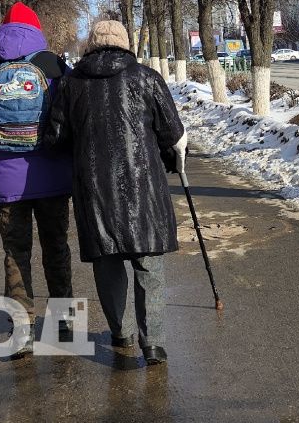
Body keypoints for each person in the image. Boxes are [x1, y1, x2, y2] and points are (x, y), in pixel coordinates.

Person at [44, 19, 185, 366]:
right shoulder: (147, 77)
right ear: (125, 44)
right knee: (148, 265)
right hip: (144, 191)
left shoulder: (71, 84)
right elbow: (172, 133)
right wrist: (169, 158)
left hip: (94, 192)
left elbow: (55, 138)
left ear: (90, 45)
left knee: (107, 264)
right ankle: (153, 343)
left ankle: (121, 333)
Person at [0, 1, 72, 356]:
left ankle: (21, 331)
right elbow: (70, 122)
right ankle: (65, 323)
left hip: (4, 181)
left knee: (16, 252)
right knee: (56, 247)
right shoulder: (54, 66)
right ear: (37, 30)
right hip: (53, 177)